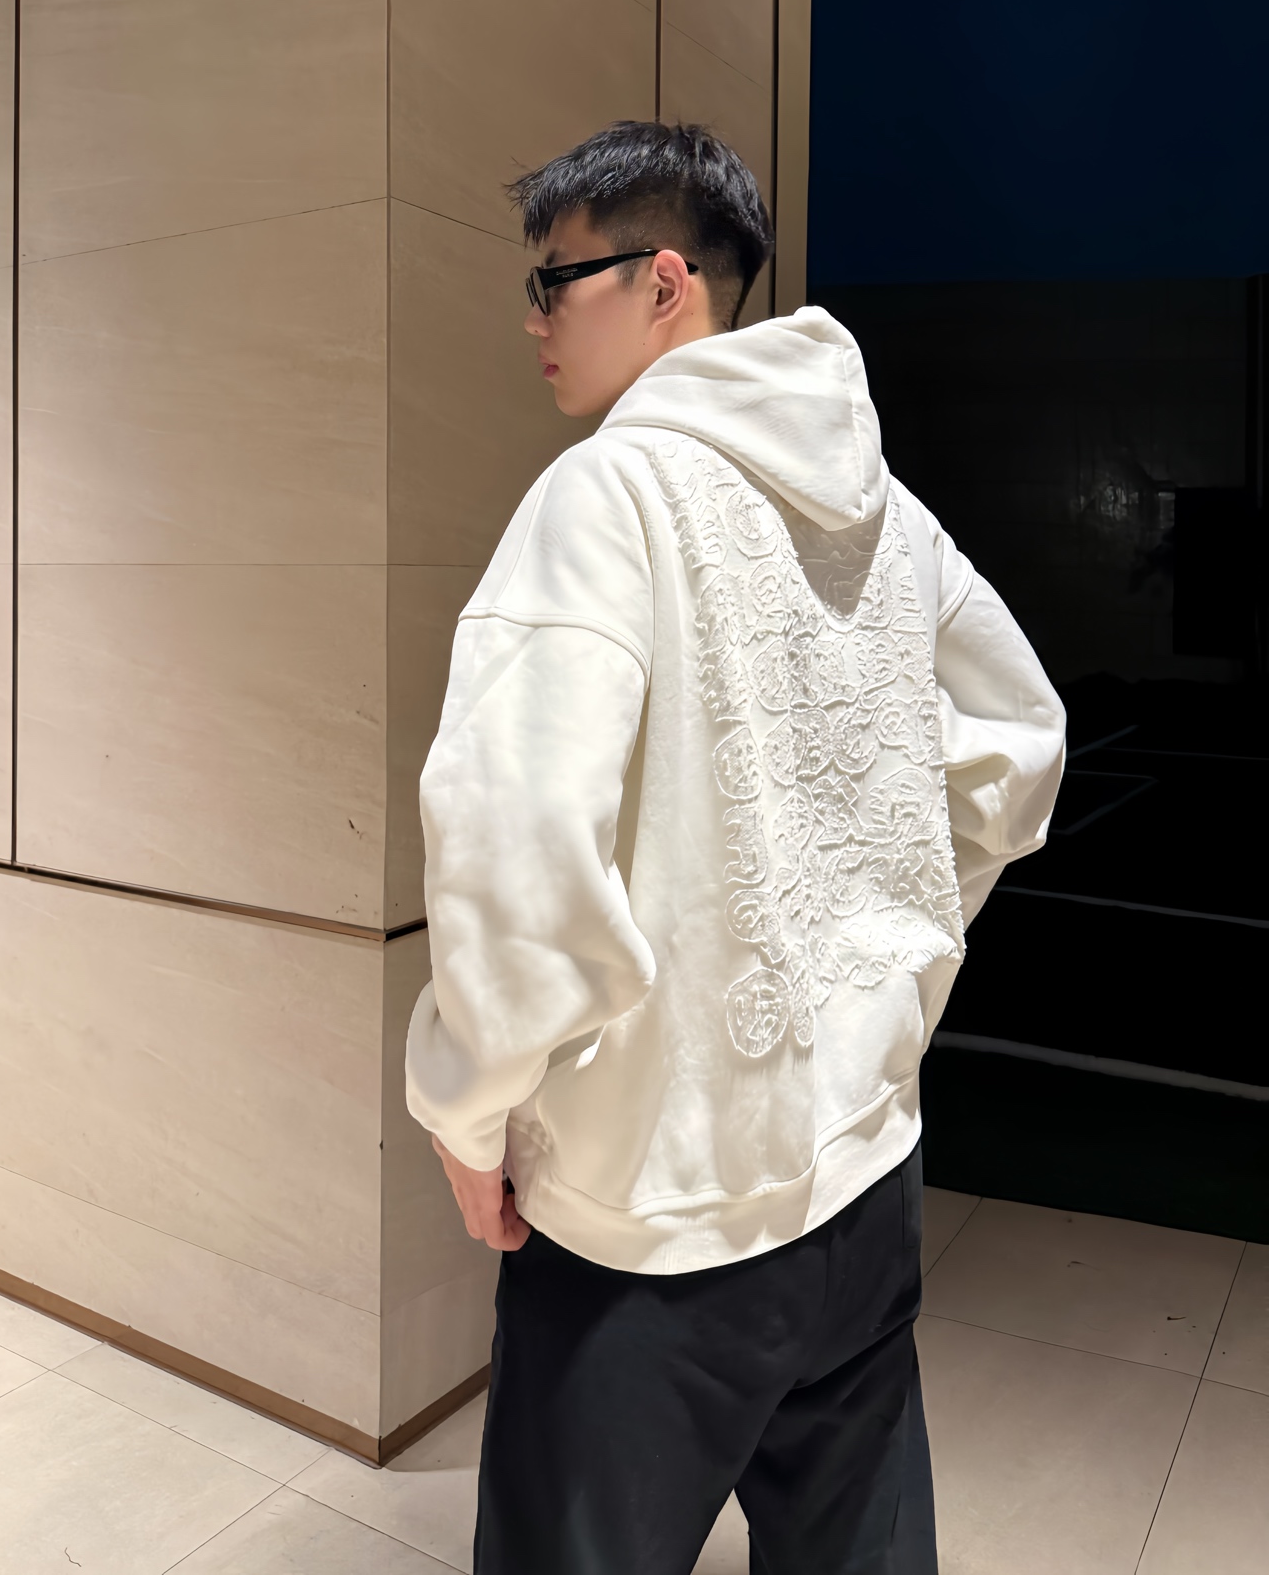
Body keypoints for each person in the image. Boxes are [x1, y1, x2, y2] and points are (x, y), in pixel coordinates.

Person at [404, 121, 1064, 1575]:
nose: (533, 317)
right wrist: (889, 937)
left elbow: (519, 849)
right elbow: (1023, 742)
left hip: (656, 1218)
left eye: (555, 280)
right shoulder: (885, 513)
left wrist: (468, 1110)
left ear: (664, 282)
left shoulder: (605, 493)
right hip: (867, 1178)